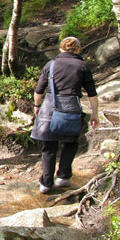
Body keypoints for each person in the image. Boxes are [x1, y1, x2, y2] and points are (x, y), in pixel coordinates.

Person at [31, 36, 99, 194]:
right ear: (78, 50)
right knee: (70, 142)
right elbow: (92, 94)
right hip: (70, 108)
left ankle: (46, 184)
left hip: (49, 108)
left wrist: (36, 107)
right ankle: (63, 177)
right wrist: (95, 114)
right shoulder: (82, 66)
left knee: (49, 146)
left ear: (61, 49)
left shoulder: (51, 65)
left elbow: (39, 90)